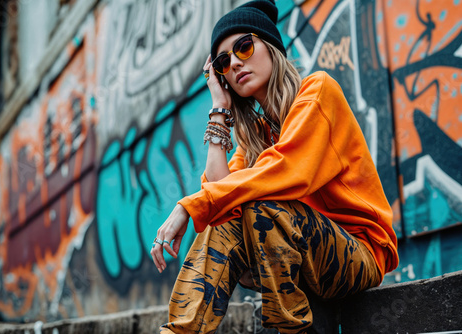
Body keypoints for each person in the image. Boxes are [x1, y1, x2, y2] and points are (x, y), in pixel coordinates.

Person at [150, 0, 399, 332]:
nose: (235, 63)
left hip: (357, 255)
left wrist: (189, 206)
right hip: (293, 258)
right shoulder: (254, 138)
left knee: (261, 204)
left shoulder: (318, 93)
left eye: (244, 47)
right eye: (223, 62)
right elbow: (220, 198)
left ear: (270, 47)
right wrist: (219, 109)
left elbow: (286, 171)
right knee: (226, 218)